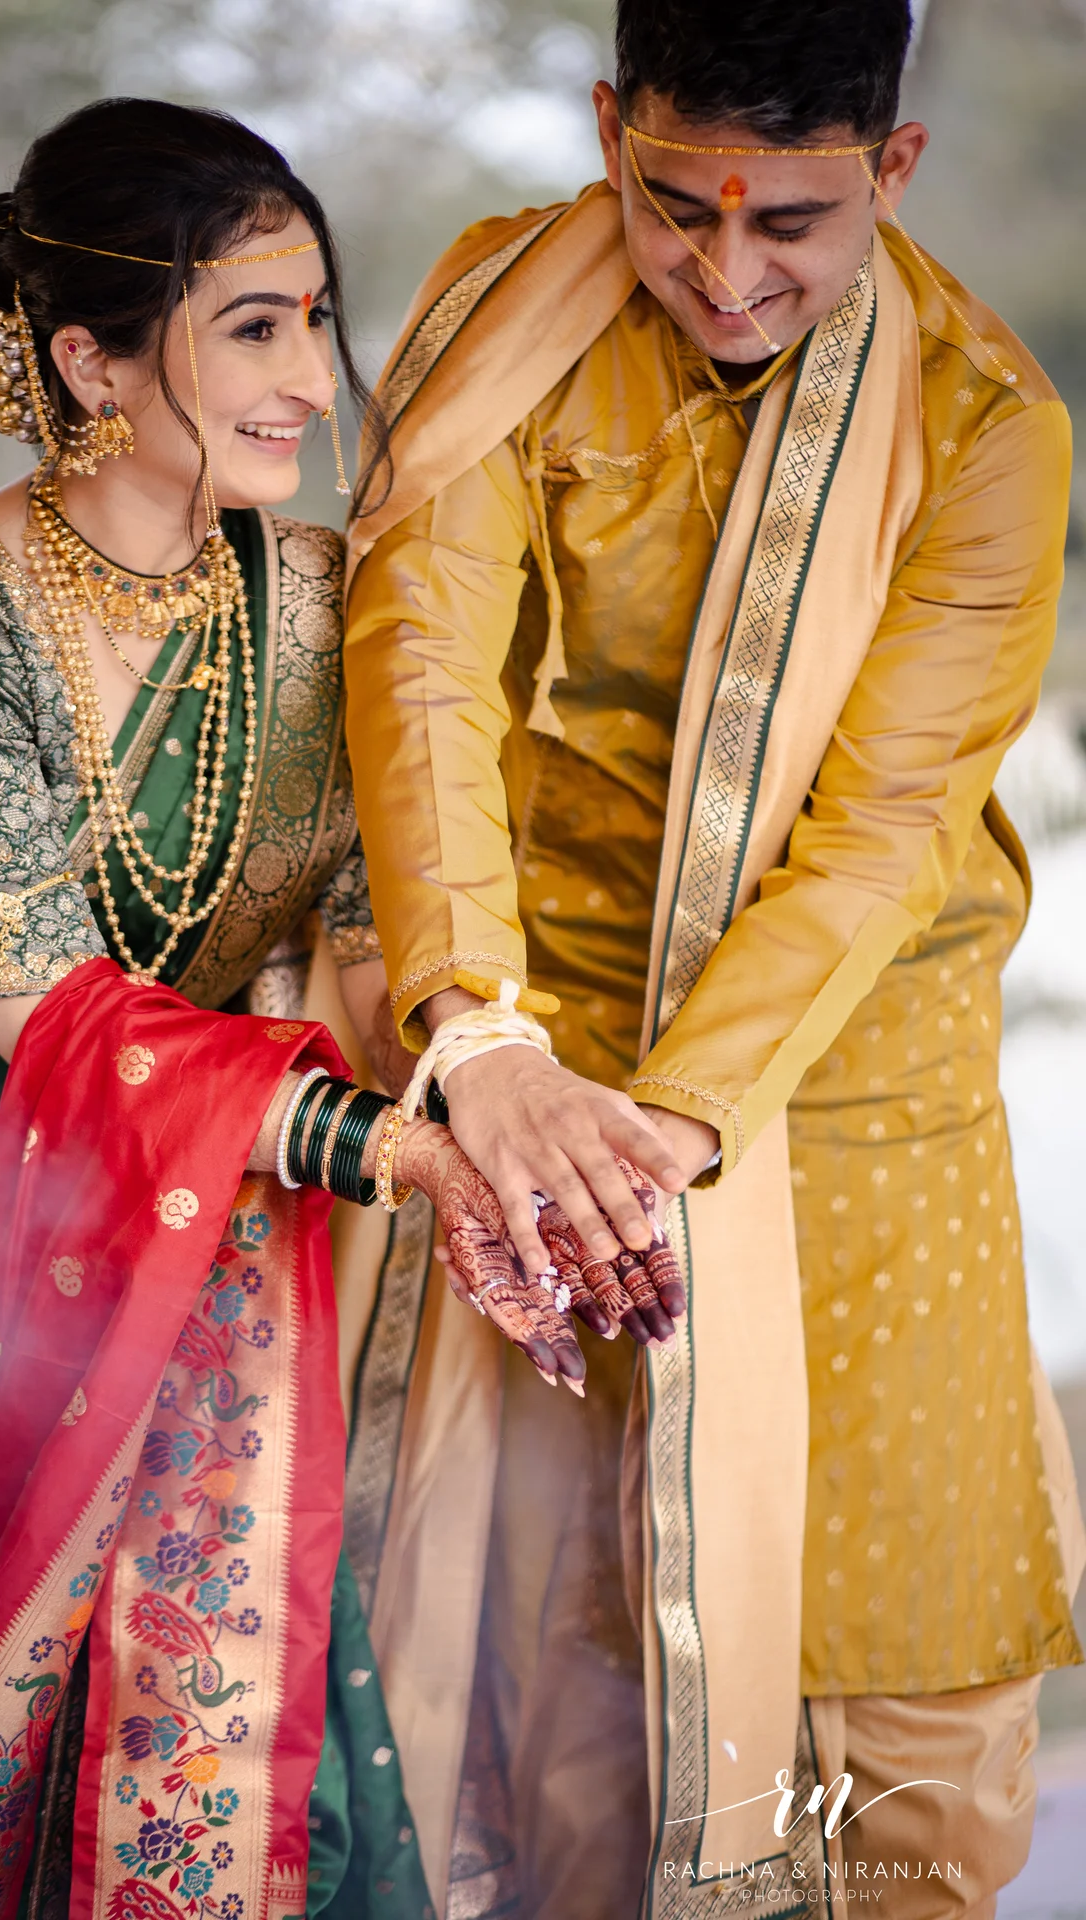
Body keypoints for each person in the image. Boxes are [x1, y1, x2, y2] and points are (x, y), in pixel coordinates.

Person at [0, 95, 680, 1920]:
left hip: (204, 1210)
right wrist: (408, 1160)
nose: (311, 376)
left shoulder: (318, 604)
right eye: (254, 329)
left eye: (316, 318)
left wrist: (511, 1119)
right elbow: (43, 1008)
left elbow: (371, 927)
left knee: (229, 1728)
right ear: (91, 361)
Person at [343, 3, 1086, 1915]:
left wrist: (672, 1127)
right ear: (608, 129)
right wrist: (484, 1036)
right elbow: (423, 650)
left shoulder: (990, 427)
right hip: (533, 1077)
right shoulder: (508, 309)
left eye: (796, 227)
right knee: (568, 1651)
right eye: (677, 207)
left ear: (891, 174)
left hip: (848, 1092)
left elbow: (884, 832)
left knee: (897, 1626)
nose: (728, 272)